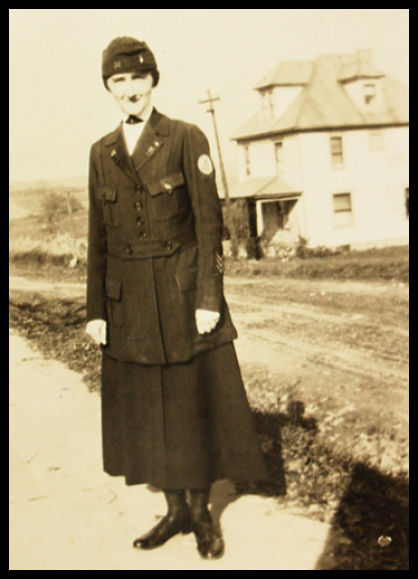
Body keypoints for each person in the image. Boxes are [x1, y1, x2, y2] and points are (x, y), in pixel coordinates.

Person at [85, 36, 268, 560]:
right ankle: (174, 511)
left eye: (137, 79)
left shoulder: (186, 138)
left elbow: (211, 231)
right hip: (129, 307)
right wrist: (96, 309)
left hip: (184, 297)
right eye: (117, 82)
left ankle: (203, 514)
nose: (129, 90)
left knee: (190, 410)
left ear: (153, 81)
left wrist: (209, 296)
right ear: (109, 88)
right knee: (148, 413)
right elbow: (97, 238)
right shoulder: (102, 151)